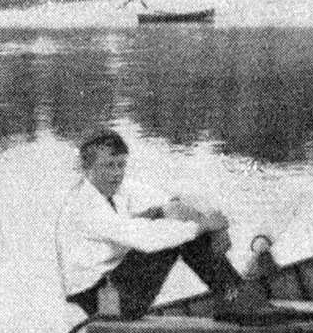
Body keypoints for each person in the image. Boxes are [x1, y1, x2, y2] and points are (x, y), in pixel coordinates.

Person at [56, 128, 250, 321]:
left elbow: (173, 203)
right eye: (108, 165)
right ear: (87, 168)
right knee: (175, 236)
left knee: (171, 216)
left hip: (112, 285)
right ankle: (237, 298)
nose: (117, 174)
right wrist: (203, 227)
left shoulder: (116, 187)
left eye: (121, 165)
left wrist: (215, 227)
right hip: (101, 301)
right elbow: (147, 239)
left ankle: (235, 296)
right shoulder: (83, 205)